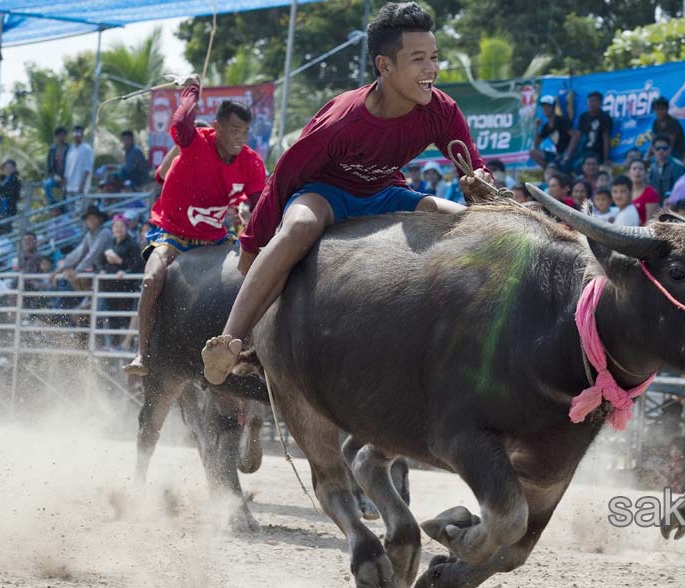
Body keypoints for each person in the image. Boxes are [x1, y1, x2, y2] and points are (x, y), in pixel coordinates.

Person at [201, 2, 493, 384]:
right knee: (300, 227)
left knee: (466, 222)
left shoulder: (442, 111)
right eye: (418, 59)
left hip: (385, 190)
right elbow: (283, 178)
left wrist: (479, 190)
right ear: (384, 66)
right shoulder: (342, 121)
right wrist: (252, 248)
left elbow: (474, 169)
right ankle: (231, 339)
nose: (431, 70)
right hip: (325, 192)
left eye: (435, 58)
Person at [123, 75, 267, 376]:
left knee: (252, 276)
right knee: (151, 280)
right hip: (172, 233)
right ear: (216, 127)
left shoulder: (252, 163)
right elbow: (180, 125)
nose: (240, 138)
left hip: (216, 238)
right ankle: (142, 353)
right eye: (234, 130)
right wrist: (191, 91)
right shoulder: (194, 141)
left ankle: (247, 352)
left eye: (245, 131)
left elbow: (259, 206)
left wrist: (257, 233)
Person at [102, 215, 145, 348]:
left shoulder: (132, 244)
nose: (118, 228)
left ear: (126, 228)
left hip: (128, 288)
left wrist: (121, 265)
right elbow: (101, 262)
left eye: (121, 226)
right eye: (116, 226)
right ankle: (114, 350)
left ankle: (128, 352)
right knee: (113, 319)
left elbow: (137, 265)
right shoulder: (111, 244)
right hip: (112, 288)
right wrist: (103, 270)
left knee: (126, 319)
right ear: (112, 228)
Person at [53, 204, 113, 279]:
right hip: (98, 269)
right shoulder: (89, 235)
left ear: (100, 220)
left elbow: (94, 252)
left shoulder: (105, 232)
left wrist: (77, 270)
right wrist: (63, 265)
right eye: (89, 218)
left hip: (110, 268)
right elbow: (78, 252)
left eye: (94, 218)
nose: (91, 221)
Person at [530, 95, 574, 170]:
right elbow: (536, 145)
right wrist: (537, 128)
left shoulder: (562, 120)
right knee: (533, 152)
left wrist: (568, 153)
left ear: (553, 108)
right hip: (556, 155)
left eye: (548, 106)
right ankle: (549, 171)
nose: (545, 109)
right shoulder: (546, 126)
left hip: (566, 154)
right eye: (543, 107)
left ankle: (554, 170)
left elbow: (574, 135)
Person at [569, 92, 613, 167]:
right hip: (585, 150)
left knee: (579, 165)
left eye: (594, 101)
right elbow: (577, 137)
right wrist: (568, 155)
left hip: (597, 152)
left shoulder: (605, 117)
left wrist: (606, 159)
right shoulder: (583, 116)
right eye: (590, 101)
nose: (591, 103)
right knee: (567, 164)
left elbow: (606, 138)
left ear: (600, 103)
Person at [647, 135, 685, 201]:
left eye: (664, 148)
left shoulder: (677, 166)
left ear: (670, 149)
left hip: (674, 204)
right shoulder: (652, 167)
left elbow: (681, 189)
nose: (661, 151)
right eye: (658, 148)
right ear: (653, 149)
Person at [64, 125, 94, 199]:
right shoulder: (70, 149)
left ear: (82, 135)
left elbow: (88, 168)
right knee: (70, 209)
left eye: (79, 134)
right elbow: (67, 170)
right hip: (70, 187)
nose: (77, 136)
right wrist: (65, 185)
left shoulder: (87, 149)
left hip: (80, 187)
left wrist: (82, 185)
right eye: (75, 133)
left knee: (79, 209)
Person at [627, 158, 659, 225]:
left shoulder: (650, 193)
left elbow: (650, 222)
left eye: (641, 169)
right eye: (634, 168)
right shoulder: (625, 191)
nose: (637, 171)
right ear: (629, 173)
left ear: (646, 173)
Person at [43, 127, 69, 204]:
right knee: (47, 184)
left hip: (67, 177)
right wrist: (50, 175)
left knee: (65, 197)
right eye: (59, 135)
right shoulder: (52, 149)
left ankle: (62, 210)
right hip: (55, 176)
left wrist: (64, 179)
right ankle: (53, 206)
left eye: (63, 135)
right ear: (56, 137)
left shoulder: (70, 148)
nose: (61, 137)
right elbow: (49, 164)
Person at [0, 159, 20, 232]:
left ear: (14, 168)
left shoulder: (15, 178)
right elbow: (0, 190)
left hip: (9, 205)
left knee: (6, 225)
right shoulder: (6, 178)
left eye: (10, 167)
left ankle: (9, 241)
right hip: (3, 205)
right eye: (7, 167)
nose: (8, 169)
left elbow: (12, 192)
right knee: (1, 225)